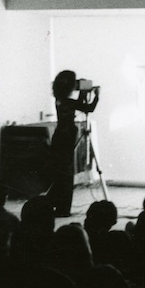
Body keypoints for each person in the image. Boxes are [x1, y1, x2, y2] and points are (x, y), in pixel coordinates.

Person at [48, 69, 100, 217]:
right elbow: (89, 108)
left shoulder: (60, 100)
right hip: (67, 138)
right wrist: (97, 96)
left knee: (62, 174)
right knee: (66, 175)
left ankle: (53, 204)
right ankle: (62, 209)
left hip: (59, 138)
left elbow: (80, 104)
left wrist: (83, 93)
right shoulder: (69, 102)